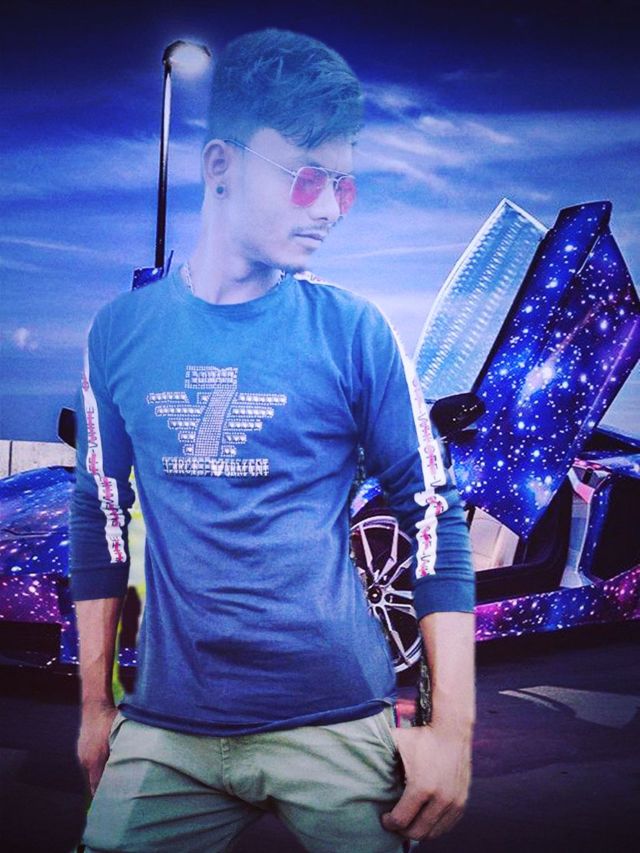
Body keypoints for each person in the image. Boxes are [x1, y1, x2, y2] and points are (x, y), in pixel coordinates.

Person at [70, 28, 476, 853]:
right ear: (220, 165)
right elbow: (98, 515)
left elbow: (435, 514)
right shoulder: (119, 333)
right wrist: (94, 707)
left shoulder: (354, 332)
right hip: (166, 728)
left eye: (344, 187)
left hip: (336, 720)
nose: (328, 208)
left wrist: (454, 730)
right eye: (306, 178)